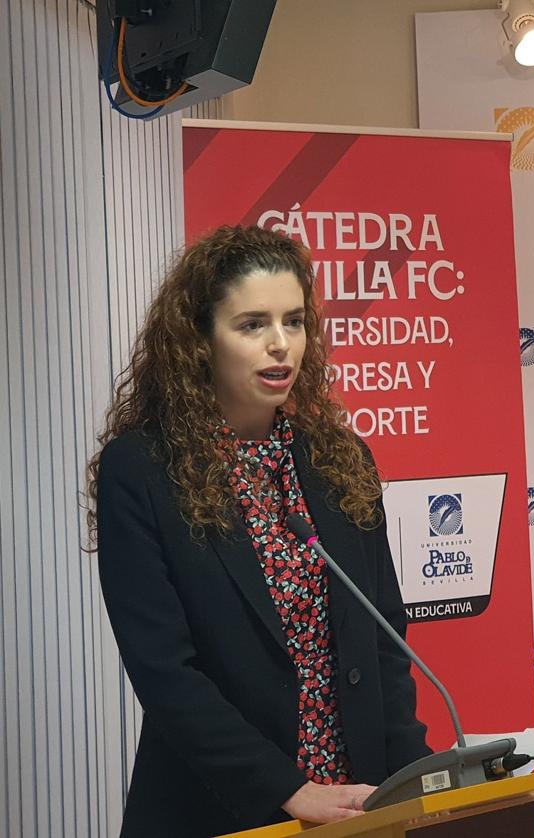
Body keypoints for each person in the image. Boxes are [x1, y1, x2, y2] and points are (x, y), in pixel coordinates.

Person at [87, 225, 430, 837]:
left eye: (294, 322)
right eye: (252, 325)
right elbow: (167, 675)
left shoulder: (340, 459)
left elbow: (385, 644)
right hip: (221, 808)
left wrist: (411, 783)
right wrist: (290, 790)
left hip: (358, 805)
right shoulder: (141, 471)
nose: (281, 346)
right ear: (200, 340)